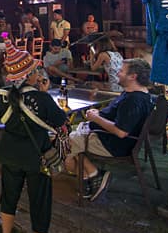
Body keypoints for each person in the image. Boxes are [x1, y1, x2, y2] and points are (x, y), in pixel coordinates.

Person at [0, 45, 67, 233]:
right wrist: (44, 92)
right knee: (40, 202)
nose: (39, 74)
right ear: (29, 75)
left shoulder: (1, 95)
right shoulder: (42, 98)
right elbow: (61, 121)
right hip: (37, 157)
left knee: (8, 197)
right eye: (35, 71)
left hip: (10, 154)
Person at [64, 59, 154, 201]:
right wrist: (98, 115)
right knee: (70, 149)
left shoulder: (133, 101)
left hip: (111, 144)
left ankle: (94, 174)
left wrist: (96, 118)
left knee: (65, 147)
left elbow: (121, 132)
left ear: (133, 76)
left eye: (121, 71)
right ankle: (88, 179)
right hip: (108, 137)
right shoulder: (137, 94)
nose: (117, 73)